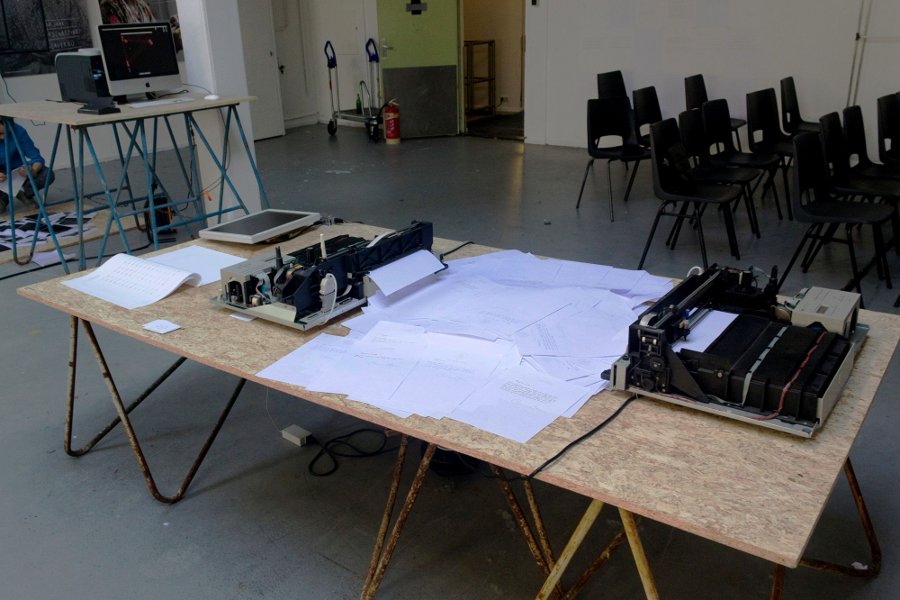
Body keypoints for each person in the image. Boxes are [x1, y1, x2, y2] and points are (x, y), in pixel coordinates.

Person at [0, 119, 54, 212]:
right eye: (0, 134)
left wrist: (32, 170)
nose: (3, 137)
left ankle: (24, 193)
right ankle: (3, 197)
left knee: (47, 174)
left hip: (17, 172)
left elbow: (37, 158)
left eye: (7, 133)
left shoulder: (18, 130)